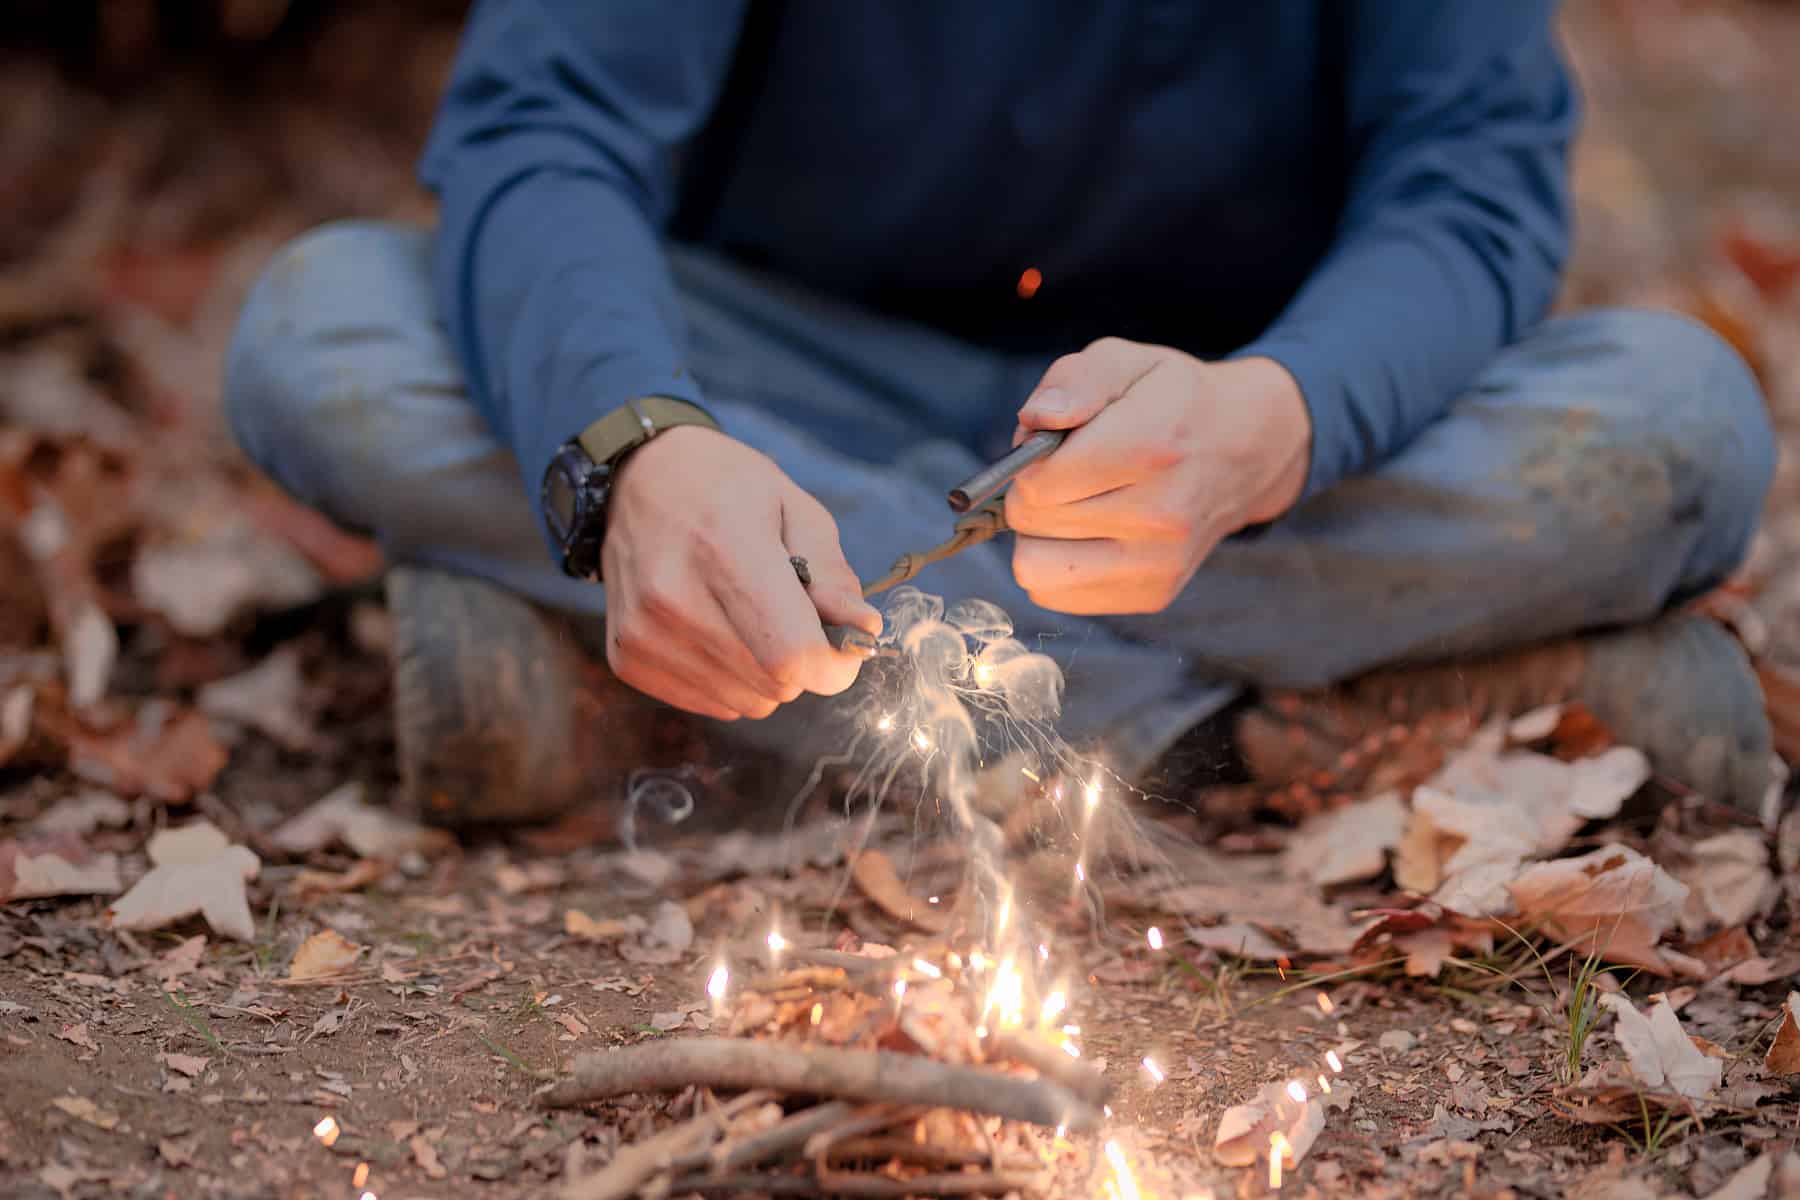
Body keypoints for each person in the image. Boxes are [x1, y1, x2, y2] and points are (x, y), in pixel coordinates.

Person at [226, 1, 1782, 827]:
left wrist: (1279, 416)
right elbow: (546, 121)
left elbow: (1474, 181)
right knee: (326, 327)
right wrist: (642, 451)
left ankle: (725, 695)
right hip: (760, 387)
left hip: (1220, 440)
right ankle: (1268, 731)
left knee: (1677, 418)